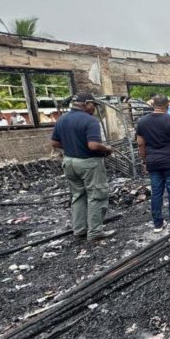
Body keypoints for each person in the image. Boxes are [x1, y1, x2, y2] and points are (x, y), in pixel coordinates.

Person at [50, 92, 115, 242]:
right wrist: (107, 148)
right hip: (88, 163)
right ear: (86, 104)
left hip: (69, 161)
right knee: (96, 196)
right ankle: (95, 232)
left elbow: (54, 143)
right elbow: (92, 145)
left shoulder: (62, 119)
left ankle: (79, 230)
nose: (94, 108)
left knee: (77, 196)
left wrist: (71, 146)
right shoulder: (90, 121)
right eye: (93, 105)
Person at [136, 95, 170, 233]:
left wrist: (145, 160)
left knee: (156, 193)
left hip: (153, 163)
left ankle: (158, 224)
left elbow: (140, 144)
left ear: (153, 105)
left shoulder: (142, 122)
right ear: (167, 105)